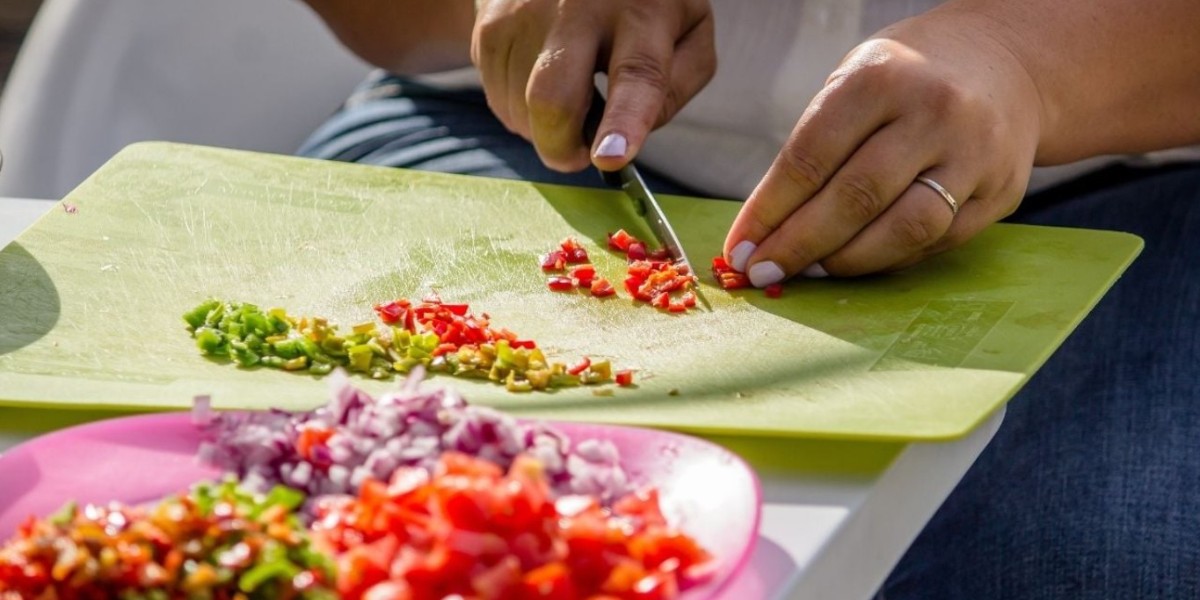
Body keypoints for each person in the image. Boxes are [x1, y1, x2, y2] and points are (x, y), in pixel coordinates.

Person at [297, 0, 1200, 596]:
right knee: (369, 519)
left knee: (1082, 566)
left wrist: (1032, 64)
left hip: (1110, 183)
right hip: (515, 137)